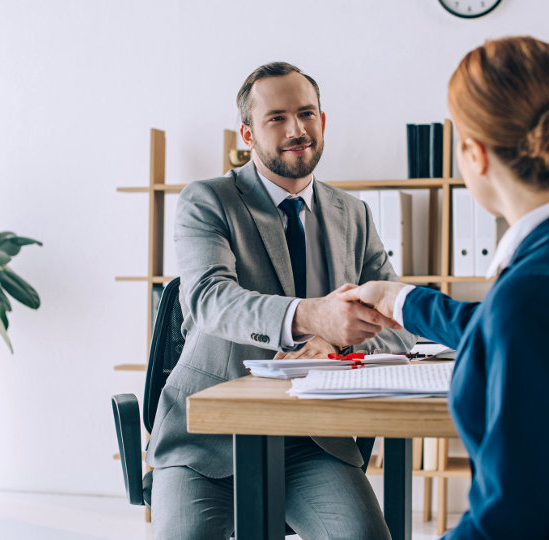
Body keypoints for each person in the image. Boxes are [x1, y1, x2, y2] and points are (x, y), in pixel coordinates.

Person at [342, 36, 549, 538]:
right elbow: (516, 335)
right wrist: (401, 299)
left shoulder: (537, 292)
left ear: (473, 154)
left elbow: (512, 517)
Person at [146, 61, 415, 539]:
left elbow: (399, 324)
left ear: (323, 121)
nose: (297, 130)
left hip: (310, 442)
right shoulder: (207, 201)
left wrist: (338, 346)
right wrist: (316, 316)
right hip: (206, 441)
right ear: (248, 134)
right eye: (277, 119)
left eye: (307, 114)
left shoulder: (353, 214)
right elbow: (209, 299)